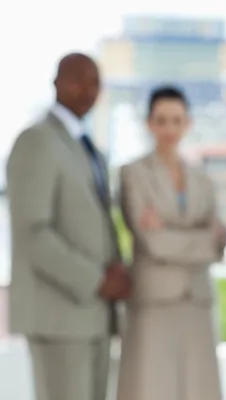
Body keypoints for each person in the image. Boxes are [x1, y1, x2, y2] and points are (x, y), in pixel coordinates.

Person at [6, 53, 130, 400]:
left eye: (95, 82)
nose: (87, 90)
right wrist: (96, 279)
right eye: (78, 79)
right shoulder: (36, 141)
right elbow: (33, 233)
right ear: (56, 82)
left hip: (94, 318)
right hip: (58, 317)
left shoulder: (90, 149)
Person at [117, 86, 226, 400]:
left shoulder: (202, 179)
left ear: (187, 123)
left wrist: (172, 231)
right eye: (161, 120)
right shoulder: (133, 174)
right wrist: (202, 238)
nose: (169, 129)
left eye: (176, 120)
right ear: (149, 123)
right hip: (153, 302)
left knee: (198, 390)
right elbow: (154, 244)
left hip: (197, 302)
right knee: (150, 388)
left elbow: (220, 242)